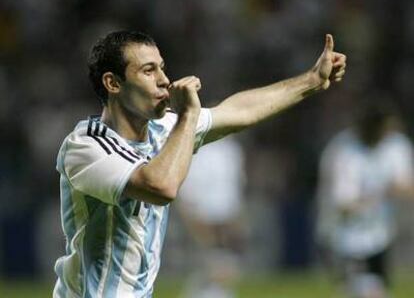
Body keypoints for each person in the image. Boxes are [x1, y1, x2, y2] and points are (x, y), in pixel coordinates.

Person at [53, 30, 346, 298]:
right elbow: (160, 186)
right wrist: (188, 117)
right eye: (148, 70)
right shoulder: (86, 147)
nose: (164, 80)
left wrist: (312, 81)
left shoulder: (164, 128)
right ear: (113, 83)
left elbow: (238, 112)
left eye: (162, 67)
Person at [316, 101, 414, 298]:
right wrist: (381, 194)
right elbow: (343, 205)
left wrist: (399, 189)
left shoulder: (396, 146)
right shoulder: (343, 151)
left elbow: (407, 186)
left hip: (381, 236)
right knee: (365, 292)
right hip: (345, 238)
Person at [177, 136, 246, 298]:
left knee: (223, 268)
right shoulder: (195, 148)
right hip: (202, 217)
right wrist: (196, 224)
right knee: (209, 267)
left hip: (227, 218)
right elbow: (187, 195)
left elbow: (235, 189)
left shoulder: (230, 148)